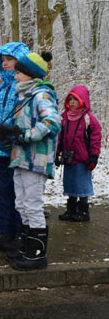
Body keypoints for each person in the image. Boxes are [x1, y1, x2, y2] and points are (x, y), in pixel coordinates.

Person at [0, 51, 60, 270]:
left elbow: (52, 122)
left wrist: (25, 135)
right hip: (20, 158)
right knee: (21, 204)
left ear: (30, 74)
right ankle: (26, 247)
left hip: (35, 159)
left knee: (32, 205)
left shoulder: (41, 95)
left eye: (19, 72)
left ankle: (37, 254)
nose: (16, 75)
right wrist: (9, 135)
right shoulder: (25, 96)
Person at [0, 42, 30, 251]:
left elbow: (25, 118)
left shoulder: (23, 87)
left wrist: (12, 136)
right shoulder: (2, 86)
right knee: (5, 192)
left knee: (18, 193)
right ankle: (6, 231)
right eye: (2, 60)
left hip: (15, 148)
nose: (5, 64)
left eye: (10, 59)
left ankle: (20, 232)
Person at [56, 85, 101, 222]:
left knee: (82, 184)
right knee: (70, 183)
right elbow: (60, 136)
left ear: (83, 100)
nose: (72, 103)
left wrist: (94, 156)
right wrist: (57, 152)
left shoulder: (88, 119)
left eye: (75, 99)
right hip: (68, 157)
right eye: (70, 100)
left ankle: (83, 210)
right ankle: (71, 209)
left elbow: (95, 139)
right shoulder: (65, 118)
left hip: (83, 159)